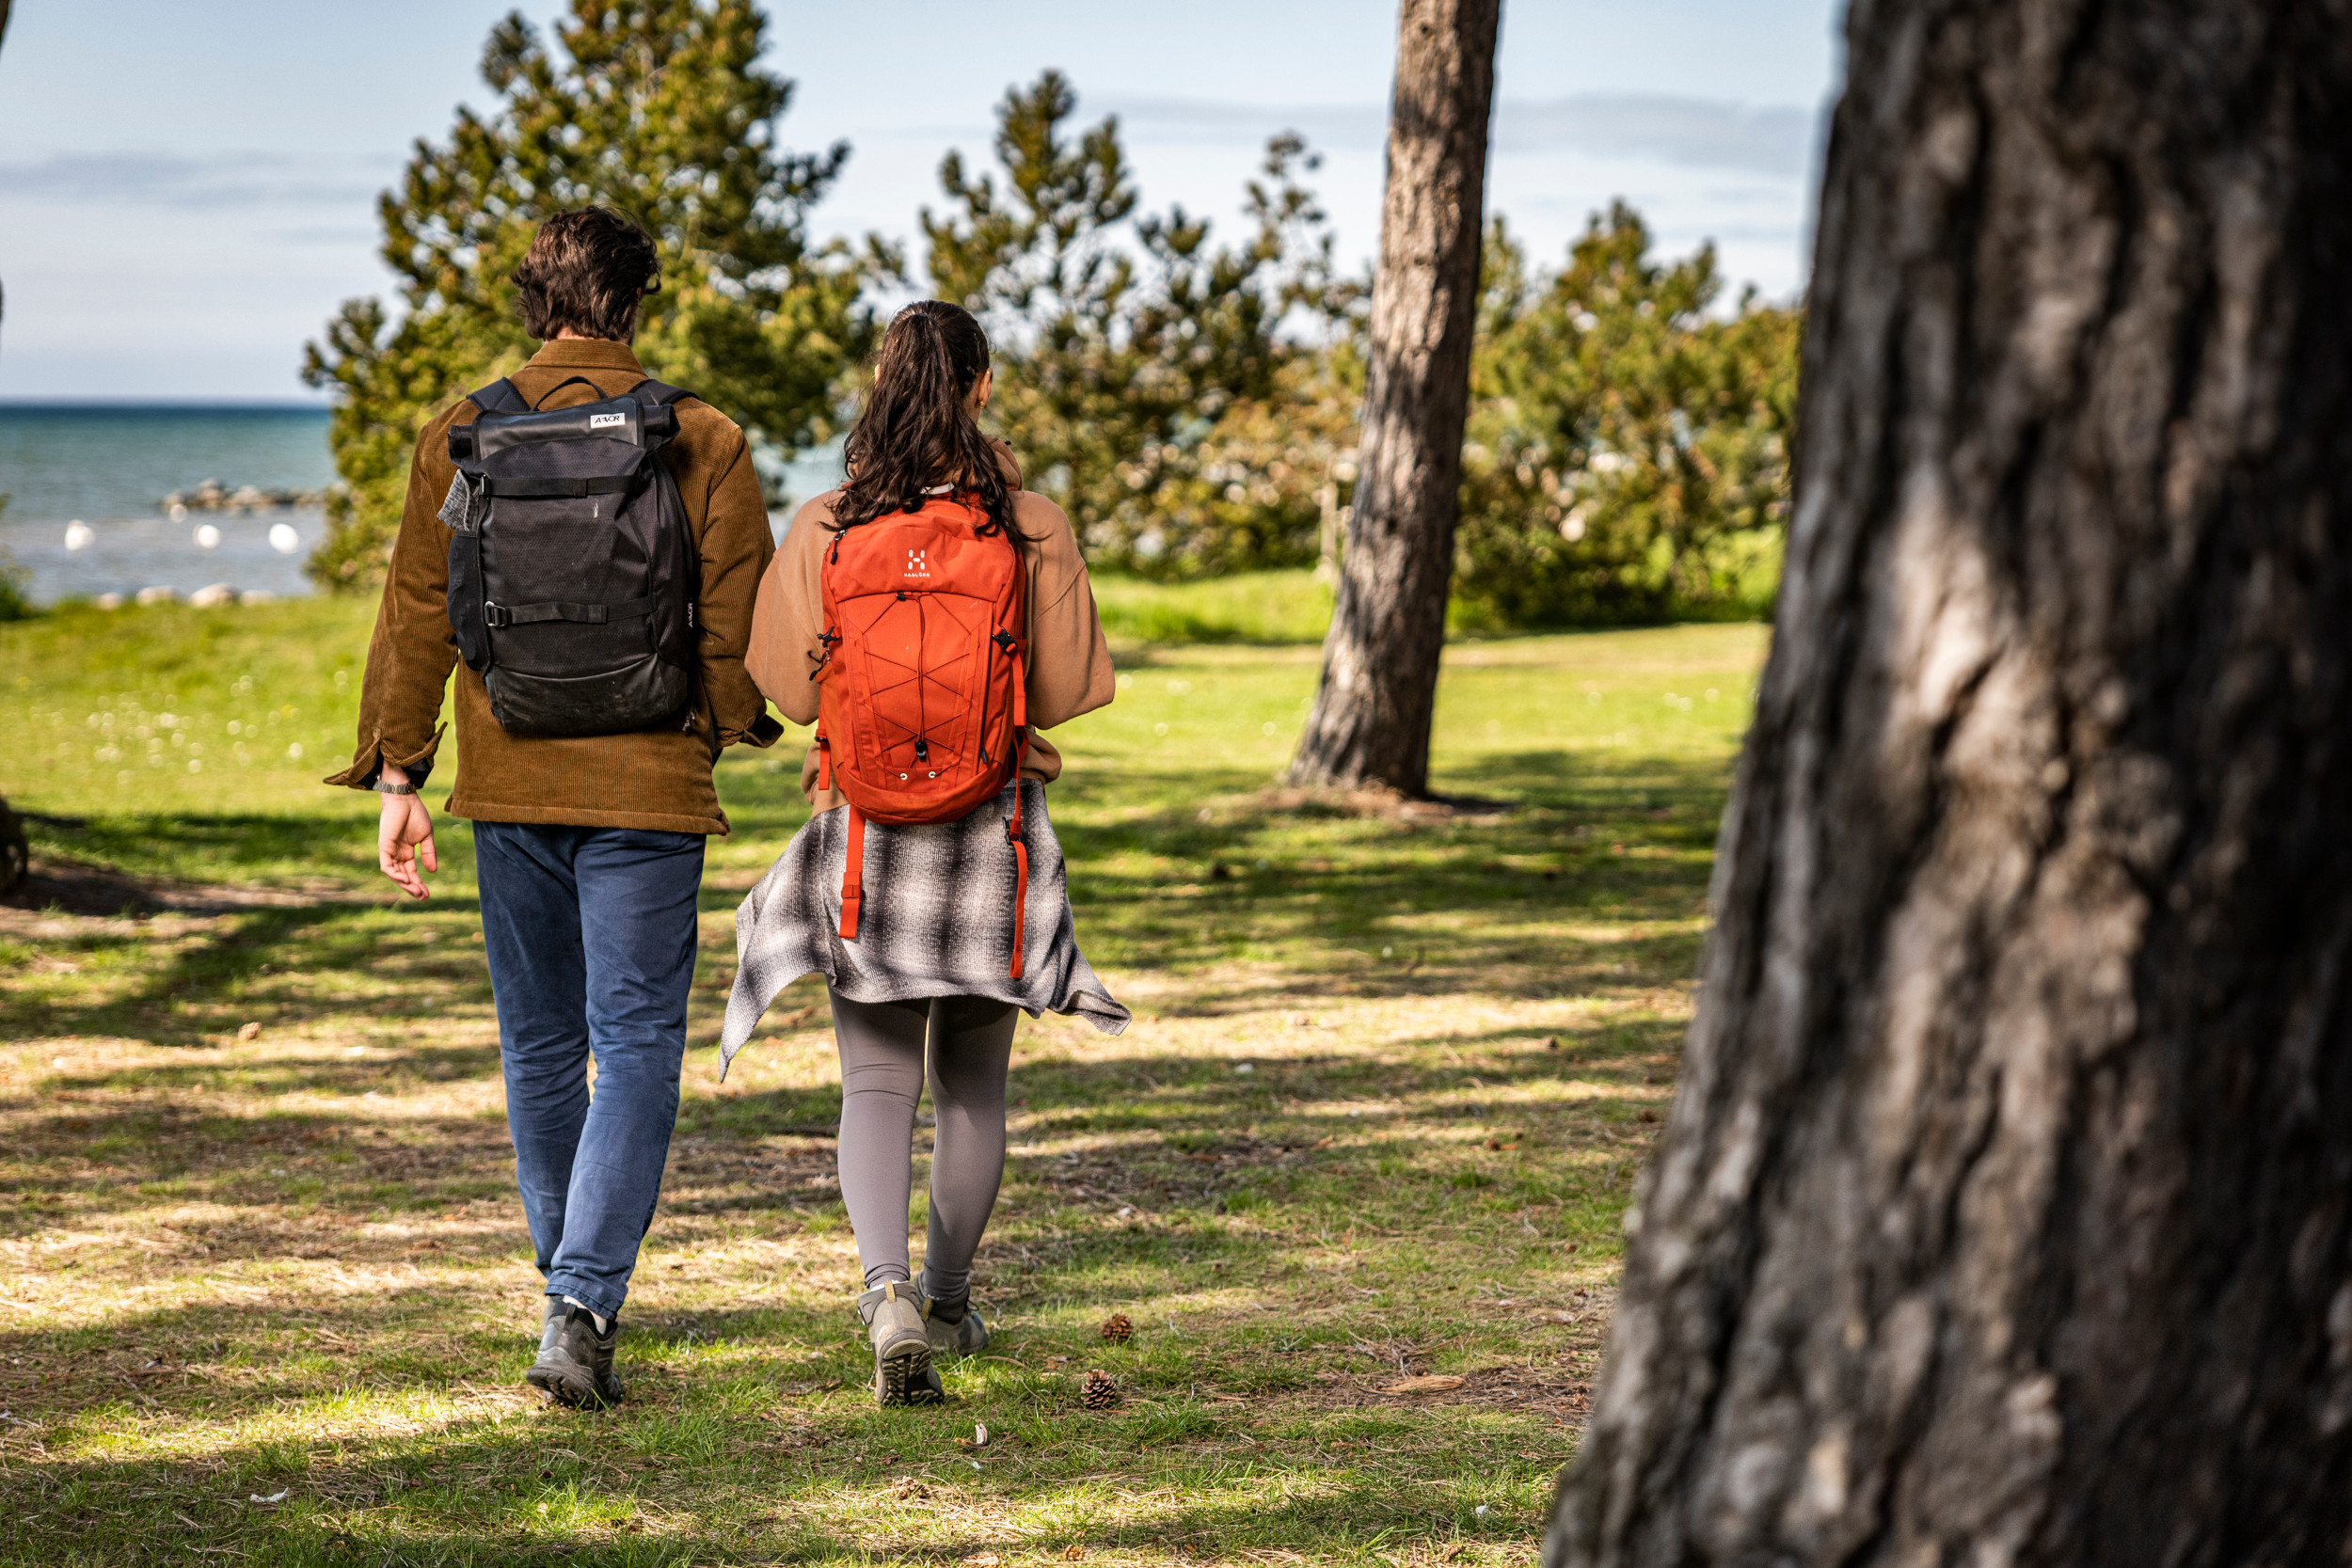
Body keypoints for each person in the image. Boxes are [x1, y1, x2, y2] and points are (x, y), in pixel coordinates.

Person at [326, 206, 780, 1408]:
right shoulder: (702, 435)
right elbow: (735, 628)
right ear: (636, 302)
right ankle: (580, 1300)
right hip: (648, 784)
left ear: (535, 299)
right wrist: (722, 729)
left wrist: (397, 773)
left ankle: (566, 1292)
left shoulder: (465, 431)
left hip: (510, 774)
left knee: (538, 1045)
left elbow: (416, 614)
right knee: (634, 1042)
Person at [723, 299, 1130, 1405]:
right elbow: (1068, 689)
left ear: (878, 383)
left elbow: (793, 687)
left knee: (875, 1079)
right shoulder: (1029, 523)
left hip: (864, 832)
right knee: (971, 1089)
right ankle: (948, 1304)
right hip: (988, 834)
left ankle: (884, 1288)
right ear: (983, 386)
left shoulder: (827, 523)